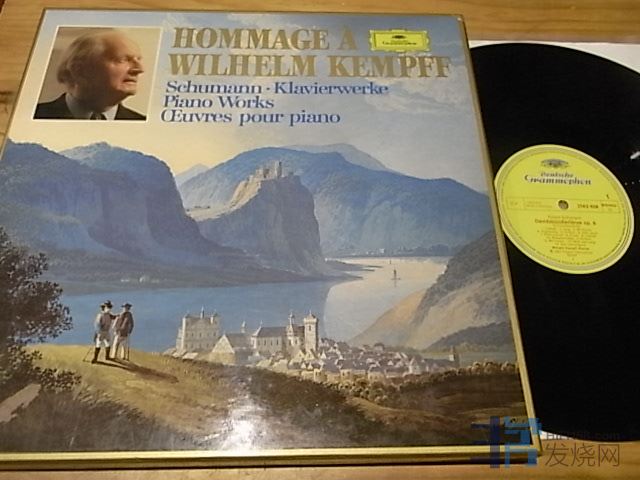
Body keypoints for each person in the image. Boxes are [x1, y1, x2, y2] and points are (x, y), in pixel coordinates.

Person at [34, 29, 146, 120]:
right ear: (79, 71)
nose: (140, 69)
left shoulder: (142, 124)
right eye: (122, 60)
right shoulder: (35, 115)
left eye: (138, 59)